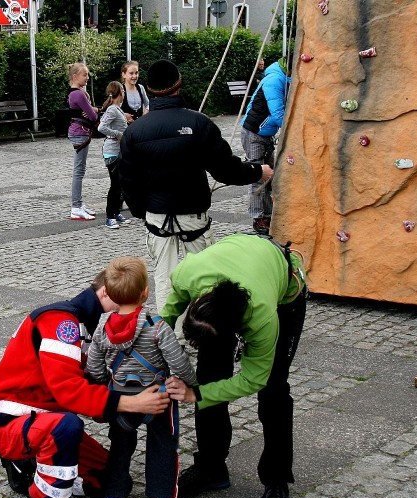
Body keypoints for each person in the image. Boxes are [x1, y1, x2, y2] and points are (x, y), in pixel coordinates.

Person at [0, 271, 173, 498]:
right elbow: (68, 390)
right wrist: (129, 403)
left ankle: (29, 466)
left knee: (112, 483)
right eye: (124, 301)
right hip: (15, 420)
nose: (130, 310)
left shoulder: (89, 324)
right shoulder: (63, 323)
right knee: (67, 427)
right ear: (106, 292)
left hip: (47, 416)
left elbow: (86, 384)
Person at [162, 233, 307, 498]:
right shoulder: (187, 274)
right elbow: (167, 314)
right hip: (229, 283)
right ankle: (211, 468)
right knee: (209, 376)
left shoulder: (262, 317)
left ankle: (276, 481)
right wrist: (147, 340)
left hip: (283, 293)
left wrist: (196, 395)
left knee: (274, 391)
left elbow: (254, 379)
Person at [120, 59, 274, 315]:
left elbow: (128, 181)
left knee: (164, 277)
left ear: (151, 89)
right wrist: (258, 171)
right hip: (193, 214)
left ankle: (167, 332)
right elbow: (225, 168)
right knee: (206, 277)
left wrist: (142, 211)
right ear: (178, 86)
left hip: (157, 216)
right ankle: (205, 328)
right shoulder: (198, 123)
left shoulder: (134, 131)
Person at [85, 256, 197, 498]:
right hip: (157, 399)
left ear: (109, 294)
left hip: (122, 401)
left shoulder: (102, 327)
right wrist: (190, 384)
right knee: (164, 448)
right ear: (146, 293)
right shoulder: (158, 328)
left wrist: (103, 387)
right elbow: (179, 362)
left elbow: (94, 366)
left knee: (120, 449)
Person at [241, 56, 291, 235]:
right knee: (258, 174)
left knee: (269, 175)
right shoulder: (275, 80)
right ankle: (258, 217)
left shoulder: (284, 78)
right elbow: (278, 113)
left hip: (264, 133)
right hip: (254, 132)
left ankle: (268, 213)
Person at [66, 62, 99, 221]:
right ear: (74, 76)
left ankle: (78, 204)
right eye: (84, 74)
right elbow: (92, 116)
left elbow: (91, 112)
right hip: (80, 133)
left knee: (80, 170)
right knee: (79, 171)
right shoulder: (78, 94)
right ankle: (76, 206)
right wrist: (93, 111)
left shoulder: (77, 93)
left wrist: (93, 111)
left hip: (81, 132)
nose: (87, 77)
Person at [97, 82, 131, 229]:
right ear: (120, 92)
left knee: (121, 184)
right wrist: (118, 134)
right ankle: (109, 216)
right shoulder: (112, 109)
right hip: (112, 152)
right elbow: (101, 127)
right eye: (123, 90)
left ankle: (116, 212)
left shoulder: (118, 109)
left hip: (119, 151)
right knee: (115, 184)